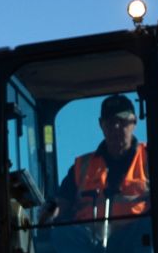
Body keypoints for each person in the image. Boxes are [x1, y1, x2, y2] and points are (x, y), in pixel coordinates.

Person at [61, 93, 148, 222]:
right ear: (101, 124)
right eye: (110, 122)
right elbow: (61, 201)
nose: (116, 127)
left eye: (122, 121)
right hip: (90, 234)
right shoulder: (81, 167)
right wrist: (50, 211)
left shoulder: (151, 157)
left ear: (134, 121)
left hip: (140, 234)